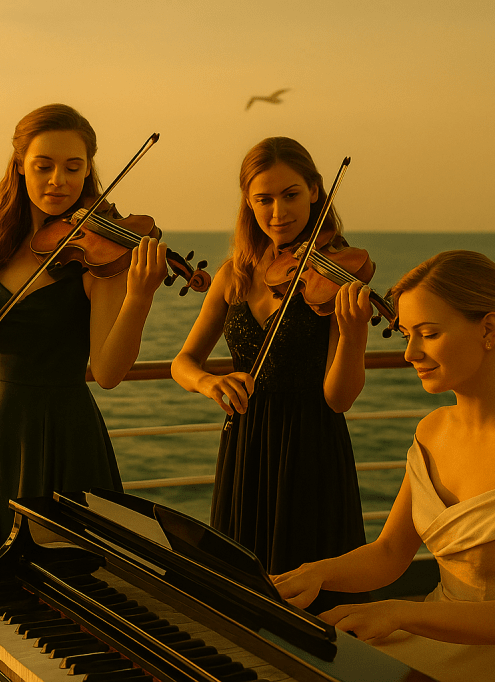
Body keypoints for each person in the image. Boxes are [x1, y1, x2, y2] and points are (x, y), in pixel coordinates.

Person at [272, 251, 495, 682]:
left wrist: (398, 613)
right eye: (406, 335)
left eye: (429, 334)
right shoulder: (433, 430)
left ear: (489, 330)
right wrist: (315, 574)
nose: (410, 353)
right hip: (441, 635)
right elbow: (389, 554)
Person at [0, 103, 167, 571]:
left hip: (67, 434)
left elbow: (108, 373)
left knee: (67, 586)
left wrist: (140, 297)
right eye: (43, 166)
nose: (57, 181)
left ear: (88, 173)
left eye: (73, 167)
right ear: (20, 168)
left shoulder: (97, 260)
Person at [171, 137, 374, 612]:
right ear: (248, 203)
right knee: (243, 595)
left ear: (316, 192)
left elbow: (339, 398)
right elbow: (182, 363)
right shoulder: (232, 275)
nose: (278, 212)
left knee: (315, 604)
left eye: (291, 195)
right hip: (246, 445)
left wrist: (354, 335)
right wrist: (209, 381)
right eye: (263, 199)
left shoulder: (336, 276)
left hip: (311, 446)